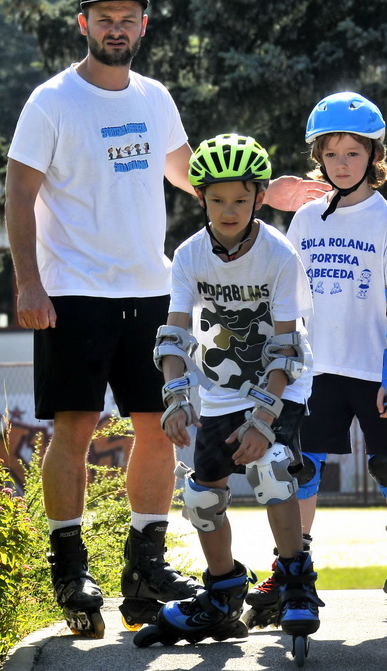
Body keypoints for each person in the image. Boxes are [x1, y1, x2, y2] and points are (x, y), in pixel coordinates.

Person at [4, 0, 203, 638]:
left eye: (128, 18)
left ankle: (145, 569)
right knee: (76, 427)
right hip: (73, 292)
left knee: (159, 426)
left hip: (151, 288)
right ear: (83, 24)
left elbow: (187, 171)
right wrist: (29, 282)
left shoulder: (155, 98)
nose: (116, 29)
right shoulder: (52, 101)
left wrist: (259, 186)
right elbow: (19, 192)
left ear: (142, 26)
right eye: (104, 17)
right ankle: (70, 569)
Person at [132, 134, 321, 655]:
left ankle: (295, 581)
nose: (229, 210)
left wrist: (263, 418)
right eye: (218, 200)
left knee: (273, 467)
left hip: (277, 385)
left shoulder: (279, 254)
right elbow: (173, 334)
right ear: (201, 199)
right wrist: (174, 395)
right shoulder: (190, 255)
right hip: (218, 387)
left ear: (259, 197)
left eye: (241, 199)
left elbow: (285, 346)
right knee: (200, 494)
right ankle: (221, 593)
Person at [283, 91, 387, 632]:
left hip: (373, 371)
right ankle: (295, 565)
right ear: (319, 156)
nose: (342, 164)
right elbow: (290, 301)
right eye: (332, 153)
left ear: (373, 155)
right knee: (305, 469)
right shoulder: (303, 220)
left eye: (353, 153)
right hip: (317, 370)